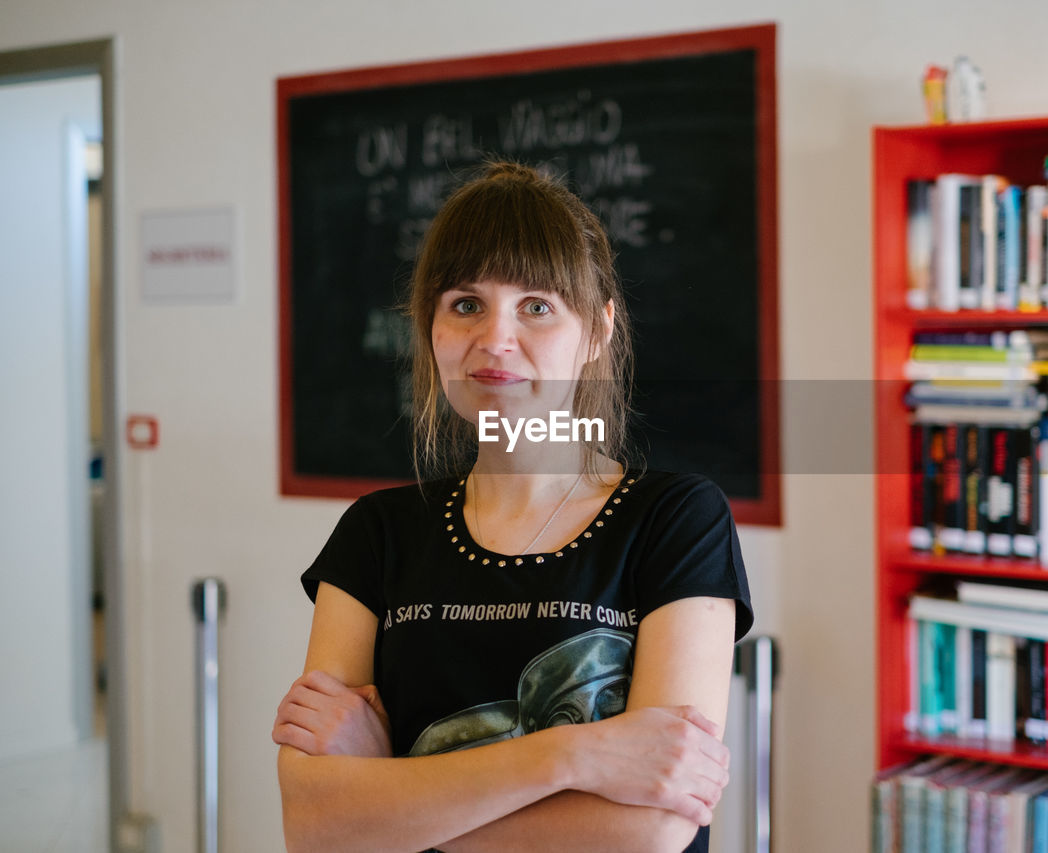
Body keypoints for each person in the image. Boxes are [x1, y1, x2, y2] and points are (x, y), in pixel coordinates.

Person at [273, 161, 753, 853]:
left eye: (536, 305)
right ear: (430, 328)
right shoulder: (376, 534)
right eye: (466, 304)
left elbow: (650, 827)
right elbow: (316, 825)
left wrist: (389, 789)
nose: (495, 339)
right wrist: (574, 757)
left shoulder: (677, 520)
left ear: (596, 332)